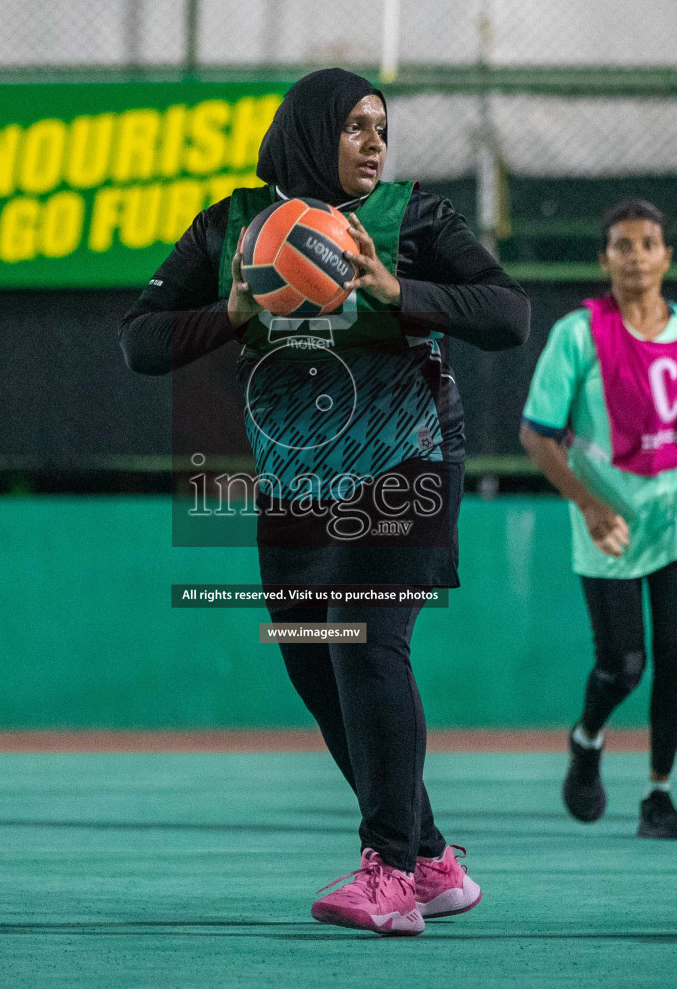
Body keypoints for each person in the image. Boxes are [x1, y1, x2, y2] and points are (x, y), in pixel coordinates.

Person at [120, 68, 528, 936]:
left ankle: (387, 872)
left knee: (368, 642)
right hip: (299, 479)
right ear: (309, 132)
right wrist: (229, 311)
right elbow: (141, 342)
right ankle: (431, 858)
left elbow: (508, 313)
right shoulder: (234, 225)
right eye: (355, 127)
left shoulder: (415, 219)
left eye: (382, 126)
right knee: (316, 663)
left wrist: (397, 292)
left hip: (407, 459)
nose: (376, 142)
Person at [520, 199, 677, 840]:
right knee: (623, 663)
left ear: (667, 257)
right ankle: (586, 741)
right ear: (605, 259)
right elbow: (537, 435)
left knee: (674, 656)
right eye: (623, 244)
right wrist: (588, 504)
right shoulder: (579, 334)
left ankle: (659, 796)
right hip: (607, 512)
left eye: (648, 243)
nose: (636, 255)